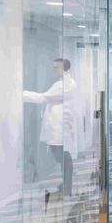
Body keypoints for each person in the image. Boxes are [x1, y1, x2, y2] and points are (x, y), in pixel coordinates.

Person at [23, 58, 77, 196]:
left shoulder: (63, 85)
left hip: (58, 128)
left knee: (63, 157)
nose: (54, 70)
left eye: (56, 67)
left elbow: (43, 98)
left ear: (64, 68)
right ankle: (66, 185)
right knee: (63, 157)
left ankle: (66, 187)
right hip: (59, 128)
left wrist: (22, 94)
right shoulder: (67, 83)